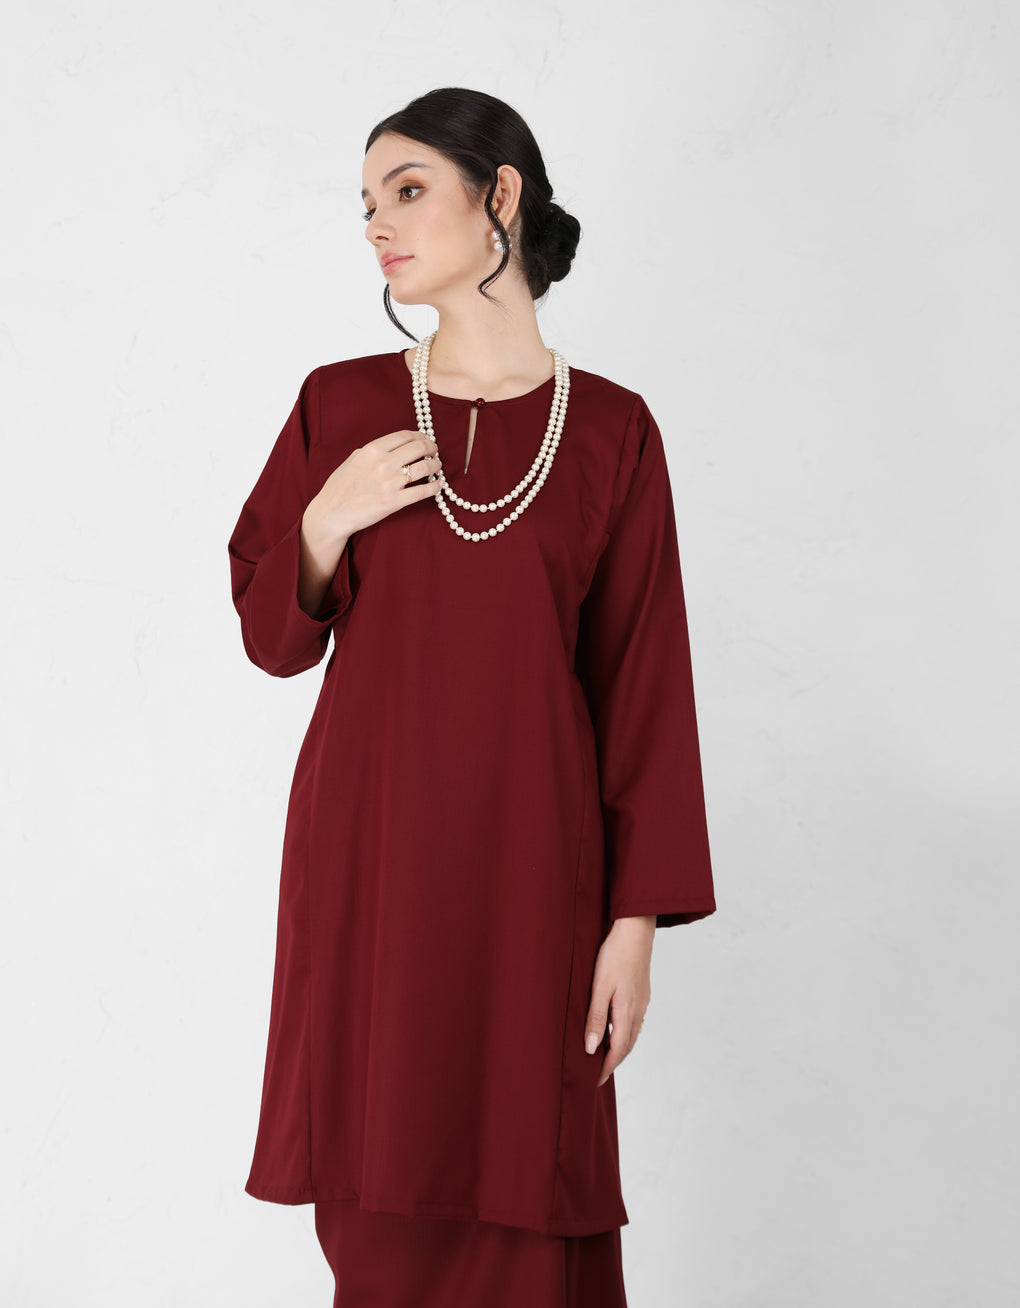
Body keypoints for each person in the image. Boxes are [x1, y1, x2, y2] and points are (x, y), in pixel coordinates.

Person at [227, 86, 717, 1308]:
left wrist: (634, 925)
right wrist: (326, 520)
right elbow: (271, 640)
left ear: (500, 194)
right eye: (366, 204)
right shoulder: (342, 405)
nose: (377, 226)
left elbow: (644, 685)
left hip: (535, 878)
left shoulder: (611, 433)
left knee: (532, 1194)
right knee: (380, 1198)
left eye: (407, 191)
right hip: (373, 866)